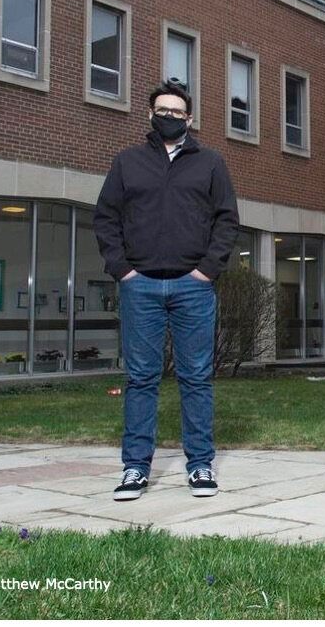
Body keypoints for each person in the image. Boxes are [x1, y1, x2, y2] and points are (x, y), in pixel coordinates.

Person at [95, 78, 239, 501]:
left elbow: (227, 220)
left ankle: (200, 466)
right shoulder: (128, 162)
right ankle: (135, 469)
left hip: (193, 287)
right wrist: (122, 270)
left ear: (190, 119)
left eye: (177, 113)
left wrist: (207, 271)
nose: (170, 118)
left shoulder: (211, 163)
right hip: (140, 287)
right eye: (163, 111)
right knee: (141, 379)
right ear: (150, 114)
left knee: (196, 378)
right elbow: (106, 218)